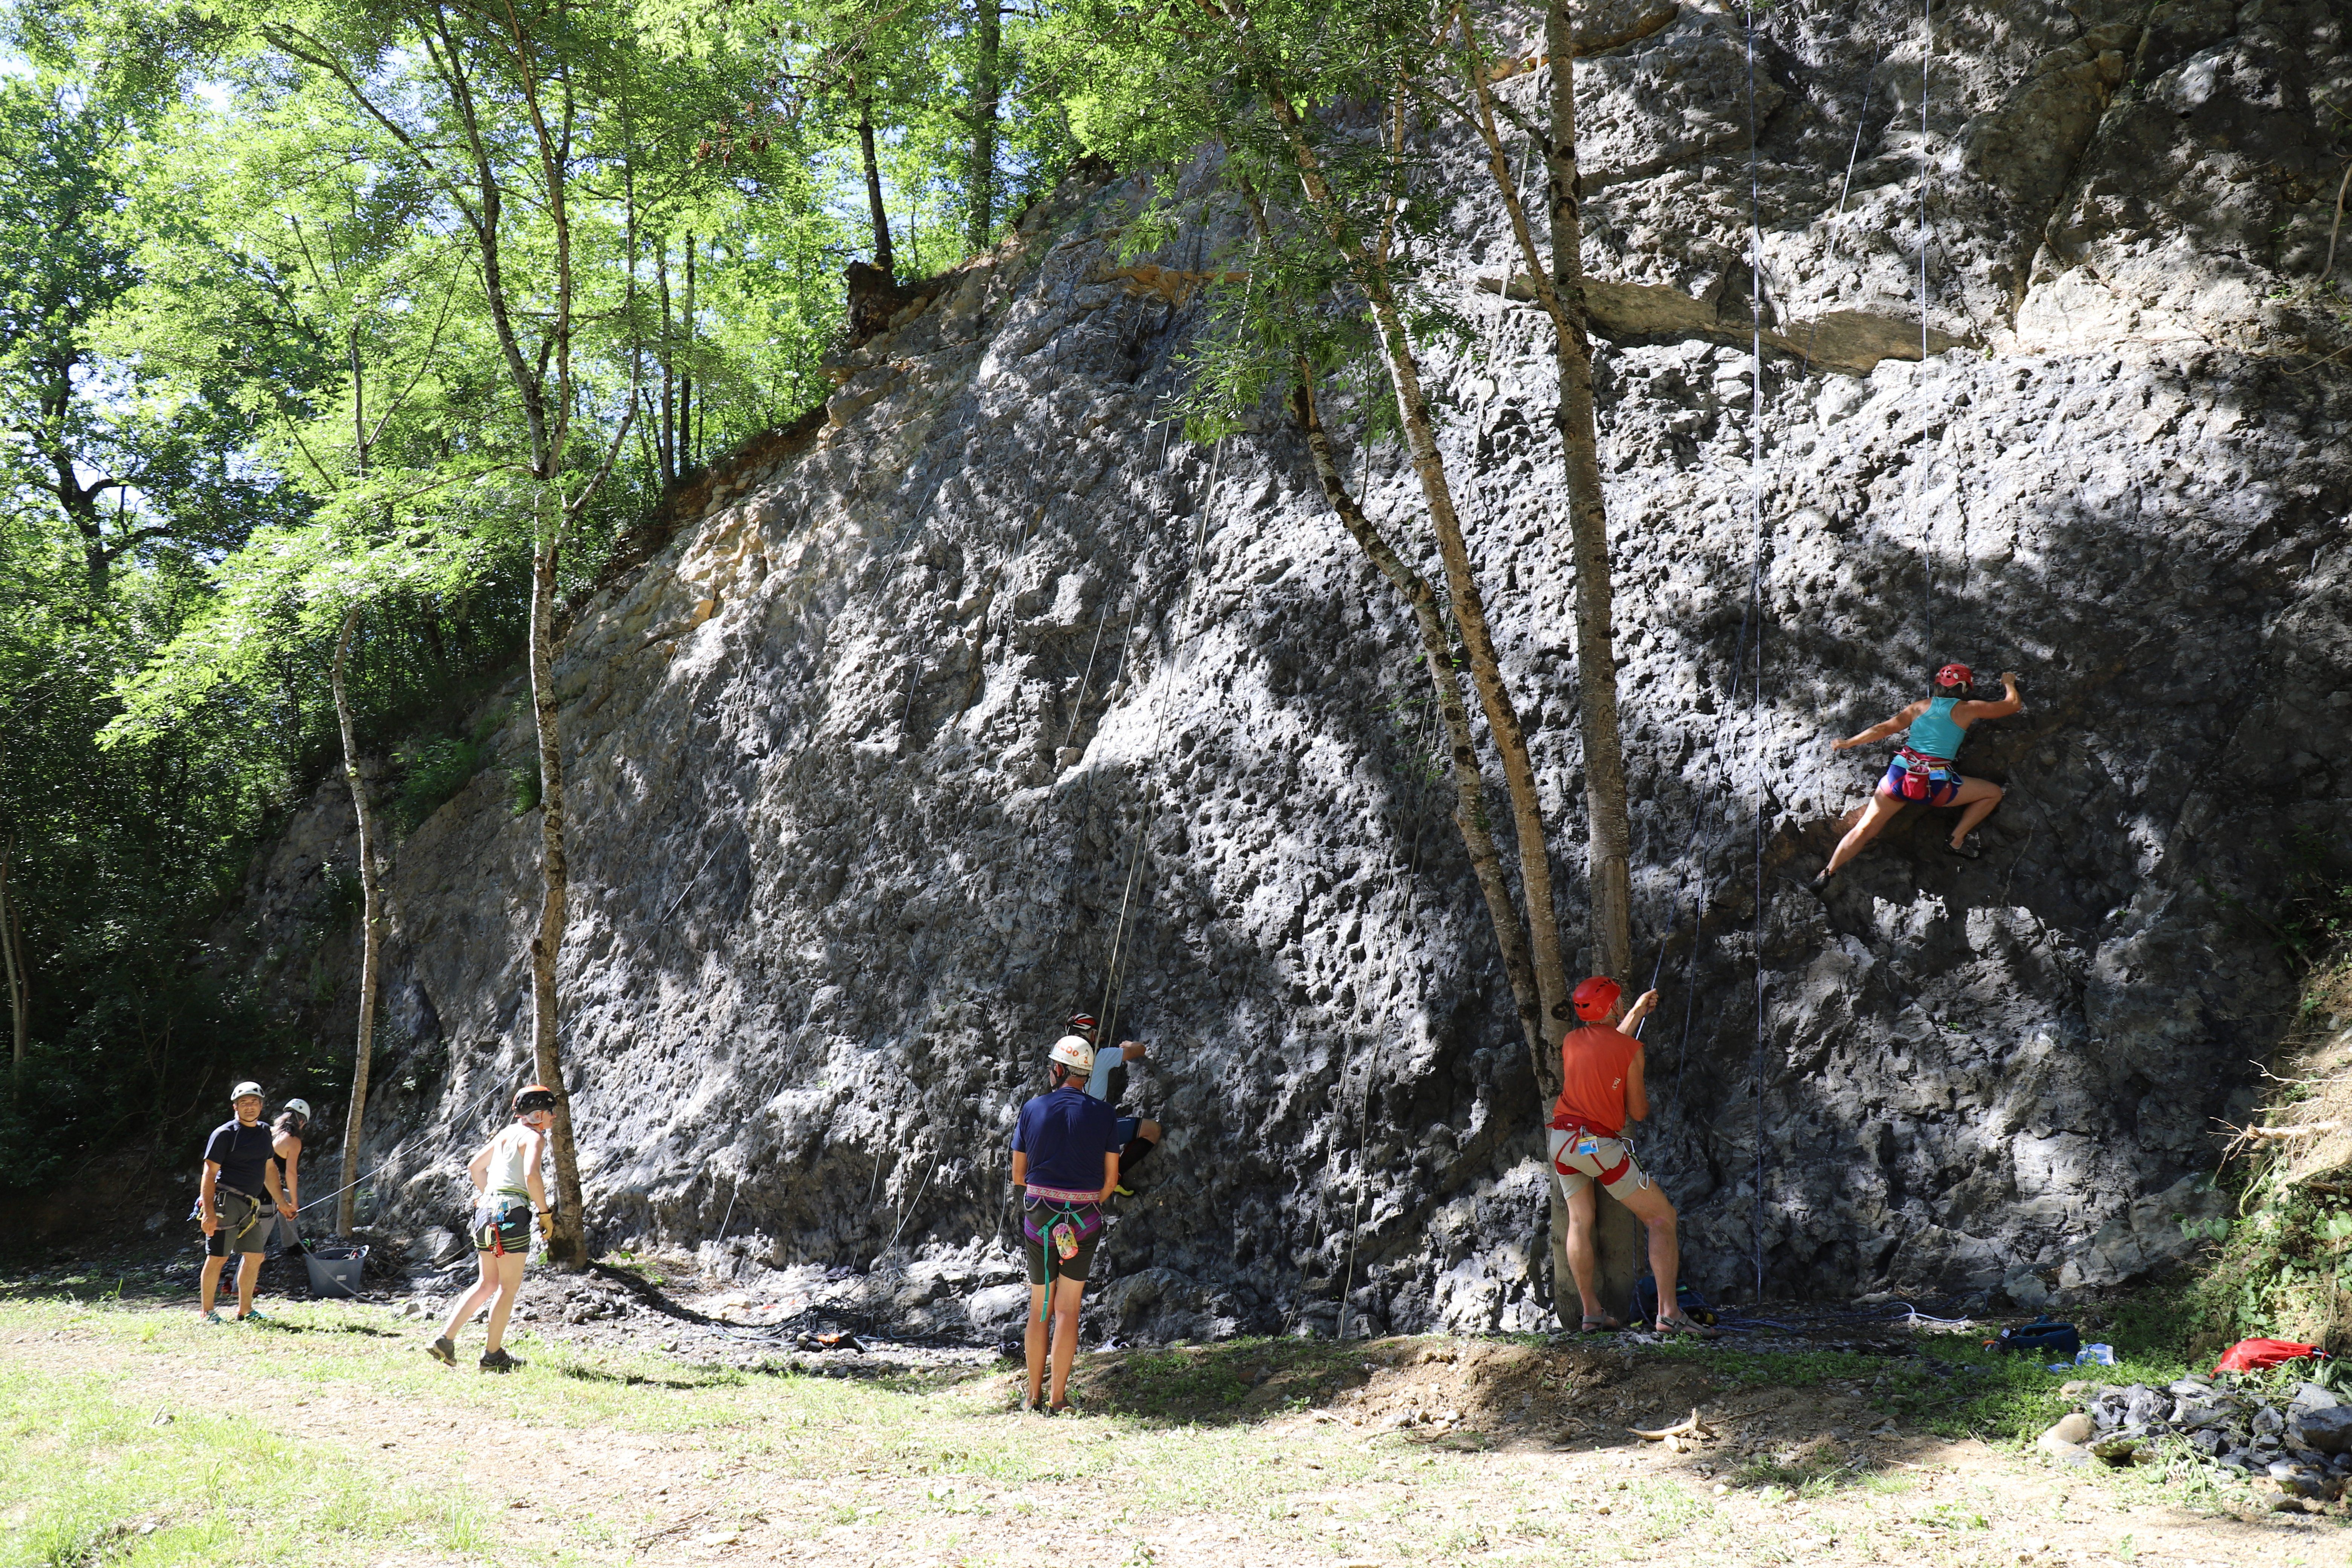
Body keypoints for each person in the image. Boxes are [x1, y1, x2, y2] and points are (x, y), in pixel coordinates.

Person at [1549, 978, 1709, 1336]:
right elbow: (1638, 1111)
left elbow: (1607, 1046)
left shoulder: (1572, 1040)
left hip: (1562, 1141)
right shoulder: (1631, 1050)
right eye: (1619, 1002)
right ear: (1612, 1008)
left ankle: (1591, 1312)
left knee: (1580, 1221)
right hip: (1595, 1145)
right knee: (1662, 1218)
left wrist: (1636, 1012)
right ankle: (1669, 1314)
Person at [1813, 665, 2022, 888]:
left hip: (1898, 779)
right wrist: (2009, 683)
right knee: (1993, 793)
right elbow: (2013, 705)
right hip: (1936, 787)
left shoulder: (1918, 707)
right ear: (1964, 687)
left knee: (1864, 829)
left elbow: (1883, 729)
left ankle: (1828, 872)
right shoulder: (1968, 708)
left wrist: (1849, 742)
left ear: (1938, 685)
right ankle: (1956, 840)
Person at [1009, 1035, 1122, 1415]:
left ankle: (1033, 1397)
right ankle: (1059, 1399)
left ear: (1057, 1069)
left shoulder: (1033, 1108)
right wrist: (1082, 1203)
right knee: (1068, 1309)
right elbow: (1110, 1181)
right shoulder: (1105, 1114)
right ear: (1086, 1073)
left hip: (1041, 1219)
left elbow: (1019, 1175)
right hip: (1084, 1220)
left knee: (1041, 1307)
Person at [426, 1084, 556, 1373]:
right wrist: (545, 1214)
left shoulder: (506, 1134)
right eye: (550, 1111)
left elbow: (475, 1167)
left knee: (487, 1283)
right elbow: (532, 1176)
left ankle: (446, 1340)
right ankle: (492, 1356)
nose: (554, 1116)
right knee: (508, 1287)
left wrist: (491, 1196)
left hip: (485, 1212)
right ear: (537, 1115)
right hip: (511, 1215)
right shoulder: (535, 1138)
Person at [196, 1081, 295, 1323]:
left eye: (254, 1102)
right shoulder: (224, 1135)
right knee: (218, 1257)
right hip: (225, 1202)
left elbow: (269, 1169)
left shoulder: (264, 1132)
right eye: (243, 1103)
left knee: (255, 1256)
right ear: (235, 1107)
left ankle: (246, 1311)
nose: (249, 1107)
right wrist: (209, 1213)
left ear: (261, 1106)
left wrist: (282, 1202)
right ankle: (208, 1312)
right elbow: (209, 1174)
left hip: (251, 1205)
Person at [1063, 1011, 1161, 1195]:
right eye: (1094, 1033)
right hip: (1097, 1134)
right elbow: (1140, 1050)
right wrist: (1129, 1045)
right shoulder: (1101, 1057)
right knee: (1153, 1130)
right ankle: (1114, 1176)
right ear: (1090, 1036)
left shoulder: (1060, 1065)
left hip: (1070, 1139)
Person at [266, 1099, 311, 1260]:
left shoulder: (271, 1132)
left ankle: (291, 1243)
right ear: (301, 1122)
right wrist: (295, 1201)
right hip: (274, 1184)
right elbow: (291, 1172)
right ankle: (291, 1246)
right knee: (288, 1204)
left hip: (257, 1181)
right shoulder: (293, 1141)